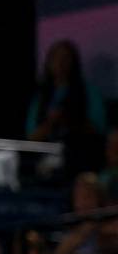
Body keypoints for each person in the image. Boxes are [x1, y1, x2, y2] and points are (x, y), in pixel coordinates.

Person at [27, 40, 108, 178]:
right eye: (56, 58)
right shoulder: (41, 97)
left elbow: (100, 131)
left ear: (73, 62)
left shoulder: (89, 92)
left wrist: (71, 119)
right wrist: (50, 123)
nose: (60, 63)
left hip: (81, 163)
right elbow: (31, 138)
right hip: (46, 166)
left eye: (65, 58)